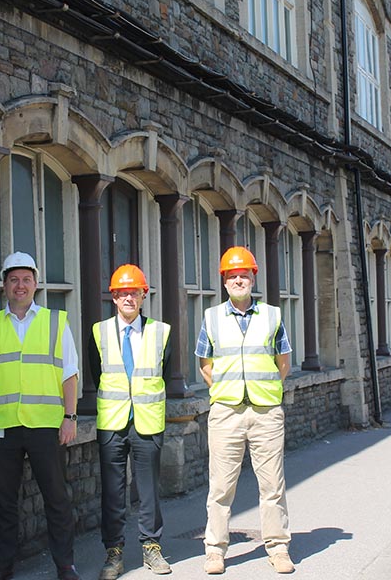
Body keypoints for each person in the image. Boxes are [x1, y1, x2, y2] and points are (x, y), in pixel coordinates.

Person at [0, 252, 82, 580]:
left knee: (57, 498)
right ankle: (3, 567)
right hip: (3, 426)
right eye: (14, 280)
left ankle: (65, 565)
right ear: (4, 285)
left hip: (47, 424)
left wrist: (70, 418)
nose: (20, 286)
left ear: (35, 284)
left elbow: (70, 373)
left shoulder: (54, 321)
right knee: (4, 501)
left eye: (26, 280)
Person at [195, 246, 295, 575]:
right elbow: (205, 365)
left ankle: (278, 548)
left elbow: (284, 363)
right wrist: (228, 391)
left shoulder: (272, 315)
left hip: (266, 412)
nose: (239, 279)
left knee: (272, 486)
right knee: (221, 486)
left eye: (244, 274)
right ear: (224, 281)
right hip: (226, 412)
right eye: (232, 275)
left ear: (254, 277)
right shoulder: (210, 317)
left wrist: (262, 389)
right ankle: (215, 550)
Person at [89, 265, 173, 579]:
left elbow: (164, 370)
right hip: (112, 422)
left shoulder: (161, 331)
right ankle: (114, 553)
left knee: (148, 488)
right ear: (113, 297)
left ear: (143, 295)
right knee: (112, 491)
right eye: (122, 293)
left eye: (133, 292)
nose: (128, 297)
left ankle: (151, 547)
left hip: (147, 421)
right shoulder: (99, 331)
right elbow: (97, 374)